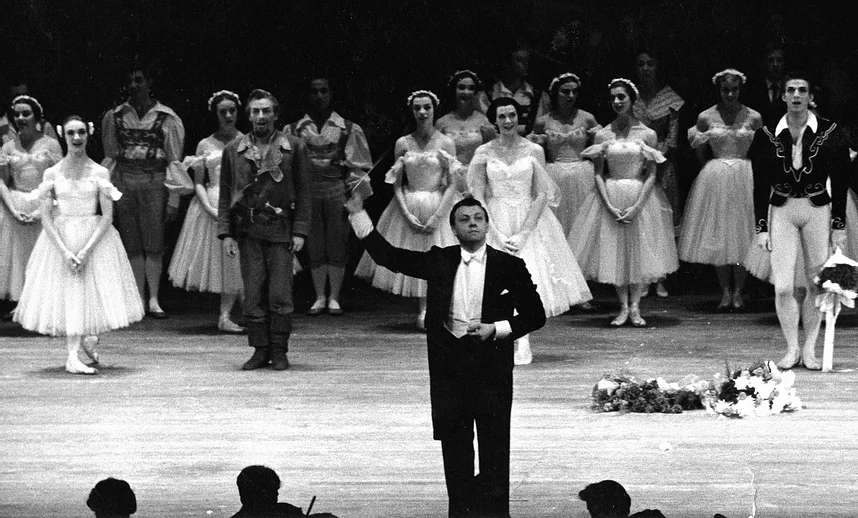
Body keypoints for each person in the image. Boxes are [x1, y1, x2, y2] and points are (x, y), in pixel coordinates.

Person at [347, 193, 546, 518]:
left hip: (490, 368)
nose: (472, 224)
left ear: (486, 224)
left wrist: (496, 328)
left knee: (495, 446)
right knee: (455, 449)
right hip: (450, 368)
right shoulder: (440, 259)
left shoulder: (508, 265)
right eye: (464, 220)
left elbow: (535, 315)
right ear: (454, 228)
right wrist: (357, 213)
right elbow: (389, 257)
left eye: (477, 219)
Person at [13, 115, 143, 374]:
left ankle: (86, 339)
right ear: (63, 134)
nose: (76, 138)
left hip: (92, 238)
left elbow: (107, 217)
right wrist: (64, 251)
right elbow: (47, 217)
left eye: (81, 132)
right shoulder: (52, 172)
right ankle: (72, 356)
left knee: (87, 291)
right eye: (71, 133)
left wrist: (84, 251)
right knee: (71, 291)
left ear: (88, 134)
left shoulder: (99, 172)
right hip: (61, 238)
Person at [469, 97, 591, 364]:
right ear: (495, 121)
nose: (508, 121)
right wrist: (494, 230)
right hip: (495, 215)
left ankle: (522, 340)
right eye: (502, 117)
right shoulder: (484, 152)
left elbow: (541, 194)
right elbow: (477, 192)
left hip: (529, 218)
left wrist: (524, 232)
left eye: (512, 115)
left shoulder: (534, 150)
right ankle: (500, 338)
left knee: (527, 277)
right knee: (496, 281)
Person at [749, 71, 850, 370]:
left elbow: (841, 180)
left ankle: (809, 348)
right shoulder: (767, 134)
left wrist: (839, 225)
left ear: (810, 96)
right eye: (790, 90)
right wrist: (761, 226)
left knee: (815, 283)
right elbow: (759, 185)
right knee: (782, 286)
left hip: (817, 209)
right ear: (782, 96)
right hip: (782, 210)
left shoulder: (830, 133)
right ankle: (791, 347)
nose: (796, 95)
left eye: (801, 90)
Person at [570, 78, 678, 327]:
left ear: (632, 100)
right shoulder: (603, 134)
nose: (617, 102)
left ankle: (636, 307)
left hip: (639, 194)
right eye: (613, 98)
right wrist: (607, 203)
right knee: (615, 250)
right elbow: (598, 172)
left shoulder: (647, 134)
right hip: (611, 193)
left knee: (637, 250)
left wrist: (638, 205)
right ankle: (622, 307)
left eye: (622, 97)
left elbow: (651, 173)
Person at [217, 89, 311, 371]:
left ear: (275, 114)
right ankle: (259, 349)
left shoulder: (294, 147)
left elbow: (305, 192)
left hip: (281, 229)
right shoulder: (234, 150)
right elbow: (225, 194)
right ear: (249, 116)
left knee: (280, 293)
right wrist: (226, 232)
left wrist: (300, 232)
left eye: (266, 111)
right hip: (249, 231)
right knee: (253, 292)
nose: (261, 116)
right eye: (256, 111)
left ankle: (279, 350)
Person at [354, 90, 459, 330]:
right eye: (417, 108)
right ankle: (423, 307)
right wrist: (406, 214)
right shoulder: (403, 143)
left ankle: (440, 306)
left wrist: (439, 215)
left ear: (434, 110)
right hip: (410, 202)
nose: (422, 112)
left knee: (441, 255)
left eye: (427, 107)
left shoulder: (446, 142)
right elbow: (396, 183)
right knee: (415, 254)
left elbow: (453, 182)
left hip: (438, 202)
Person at [101, 63, 185, 319]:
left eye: (139, 80)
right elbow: (111, 156)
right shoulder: (114, 116)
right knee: (131, 240)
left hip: (154, 180)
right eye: (130, 81)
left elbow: (174, 160)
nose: (134, 85)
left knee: (154, 239)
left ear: (149, 82)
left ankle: (154, 299)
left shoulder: (166, 117)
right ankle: (137, 298)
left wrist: (173, 197)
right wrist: (110, 194)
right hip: (125, 180)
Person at [288, 76, 372, 316]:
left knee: (337, 241)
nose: (319, 96)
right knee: (313, 242)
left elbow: (359, 167)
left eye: (324, 91)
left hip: (336, 188)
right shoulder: (294, 129)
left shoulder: (347, 127)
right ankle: (319, 295)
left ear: (330, 94)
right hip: (308, 191)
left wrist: (356, 197)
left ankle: (334, 296)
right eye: (314, 92)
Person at [679, 69, 762, 311]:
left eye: (734, 90)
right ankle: (725, 291)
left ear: (740, 89)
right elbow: (699, 149)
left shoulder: (753, 116)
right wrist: (711, 172)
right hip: (716, 176)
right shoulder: (706, 117)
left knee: (742, 233)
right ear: (719, 89)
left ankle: (739, 291)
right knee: (719, 234)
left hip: (744, 174)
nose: (730, 94)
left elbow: (762, 150)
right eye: (725, 90)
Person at [168, 90, 244, 332]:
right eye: (223, 112)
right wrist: (209, 207)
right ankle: (225, 315)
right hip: (212, 201)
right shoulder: (205, 143)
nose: (228, 115)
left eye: (232, 111)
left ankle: (246, 312)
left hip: (238, 201)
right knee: (221, 261)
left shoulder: (245, 140)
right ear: (216, 115)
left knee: (239, 261)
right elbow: (199, 181)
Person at [0, 95, 62, 312]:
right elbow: (2, 181)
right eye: (17, 114)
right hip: (16, 204)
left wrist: (40, 211)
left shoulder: (51, 144)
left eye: (26, 113)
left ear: (36, 116)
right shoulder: (8, 147)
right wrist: (14, 209)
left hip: (42, 204)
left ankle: (40, 306)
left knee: (41, 254)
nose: (20, 118)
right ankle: (20, 304)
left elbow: (57, 181)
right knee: (18, 256)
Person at [633, 50, 684, 297]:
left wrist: (657, 157)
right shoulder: (631, 98)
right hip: (636, 165)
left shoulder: (669, 98)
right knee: (641, 219)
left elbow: (673, 138)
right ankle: (643, 274)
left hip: (663, 165)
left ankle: (661, 276)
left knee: (662, 219)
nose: (645, 68)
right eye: (641, 64)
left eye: (650, 63)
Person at [529, 72, 601, 234]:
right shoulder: (543, 121)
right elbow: (533, 151)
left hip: (582, 174)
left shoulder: (587, 118)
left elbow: (600, 147)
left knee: (583, 222)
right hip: (554, 174)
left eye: (574, 92)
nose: (571, 96)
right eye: (565, 91)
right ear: (555, 93)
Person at [435, 70, 496, 170]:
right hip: (452, 178)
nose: (466, 92)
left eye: (471, 88)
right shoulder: (442, 123)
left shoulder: (483, 121)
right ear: (453, 90)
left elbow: (493, 155)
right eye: (461, 87)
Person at [485, 46, 550, 135]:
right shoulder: (490, 94)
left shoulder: (537, 96)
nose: (525, 64)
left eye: (527, 61)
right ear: (507, 63)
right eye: (520, 60)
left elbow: (542, 126)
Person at [744, 44, 788, 127]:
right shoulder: (753, 90)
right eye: (771, 60)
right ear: (764, 63)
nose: (775, 65)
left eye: (779, 60)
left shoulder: (790, 89)